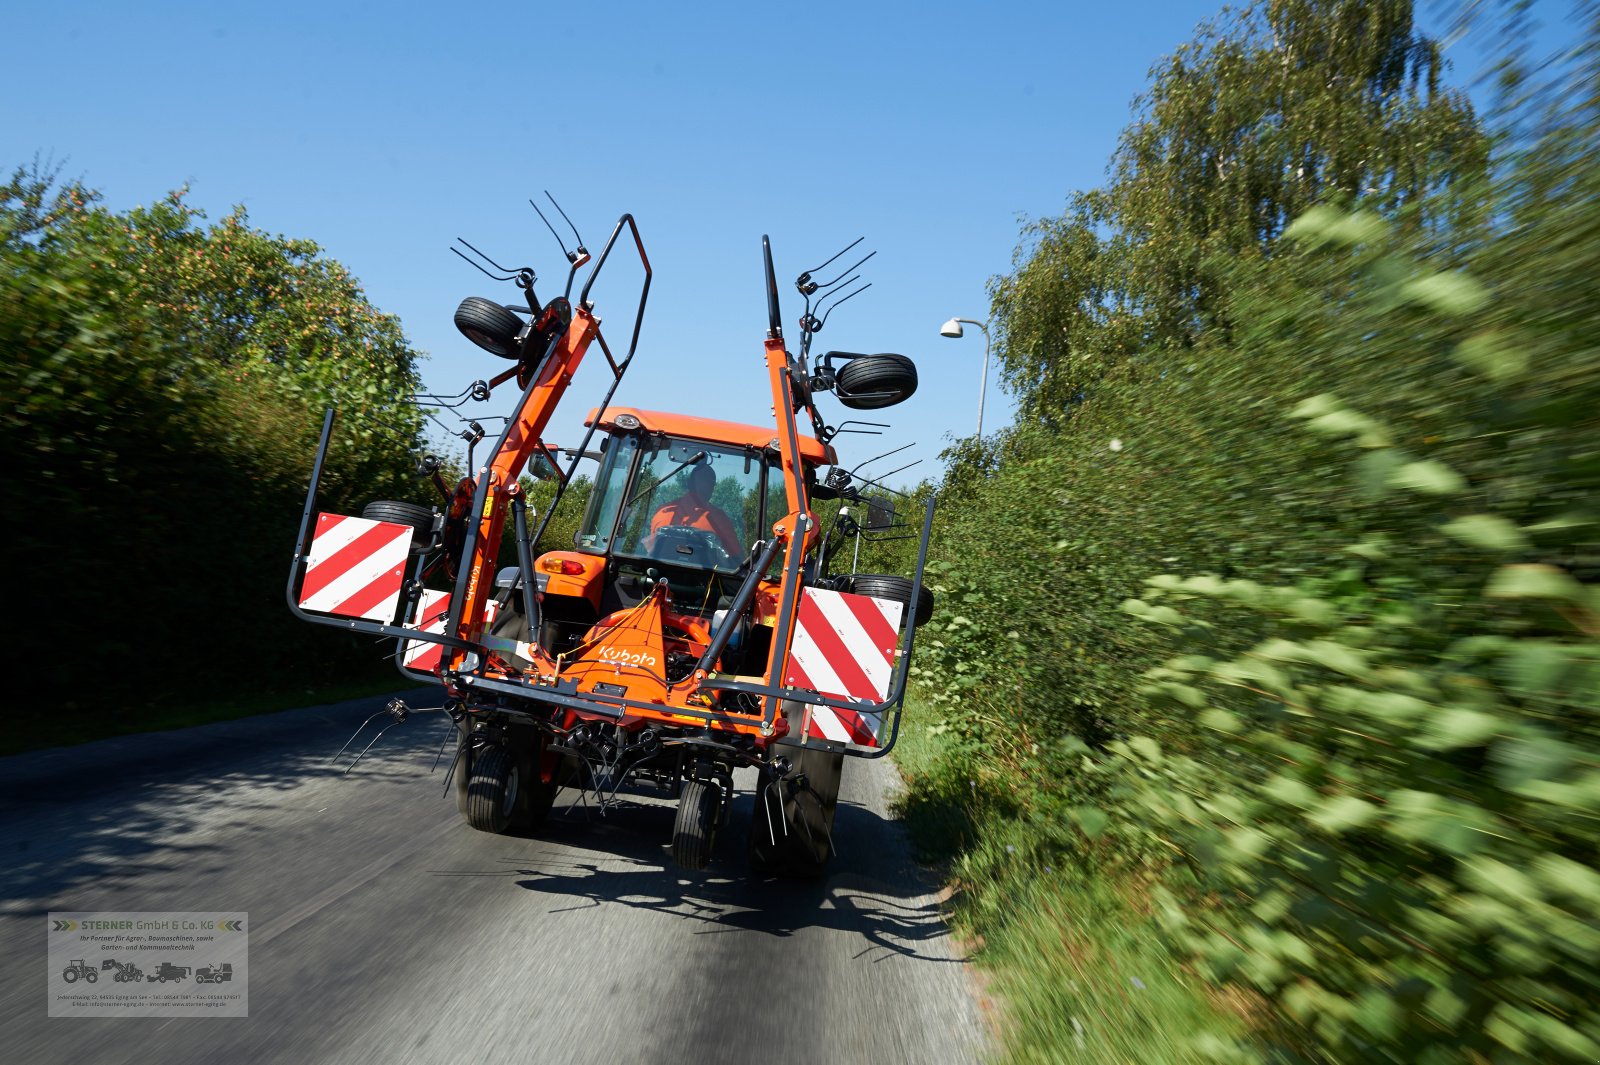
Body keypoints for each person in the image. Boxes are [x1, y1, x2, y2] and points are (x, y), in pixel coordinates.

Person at [647, 463, 743, 557]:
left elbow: (650, 550)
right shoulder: (719, 519)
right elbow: (736, 558)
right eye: (712, 483)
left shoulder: (662, 512)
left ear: (689, 483)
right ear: (712, 486)